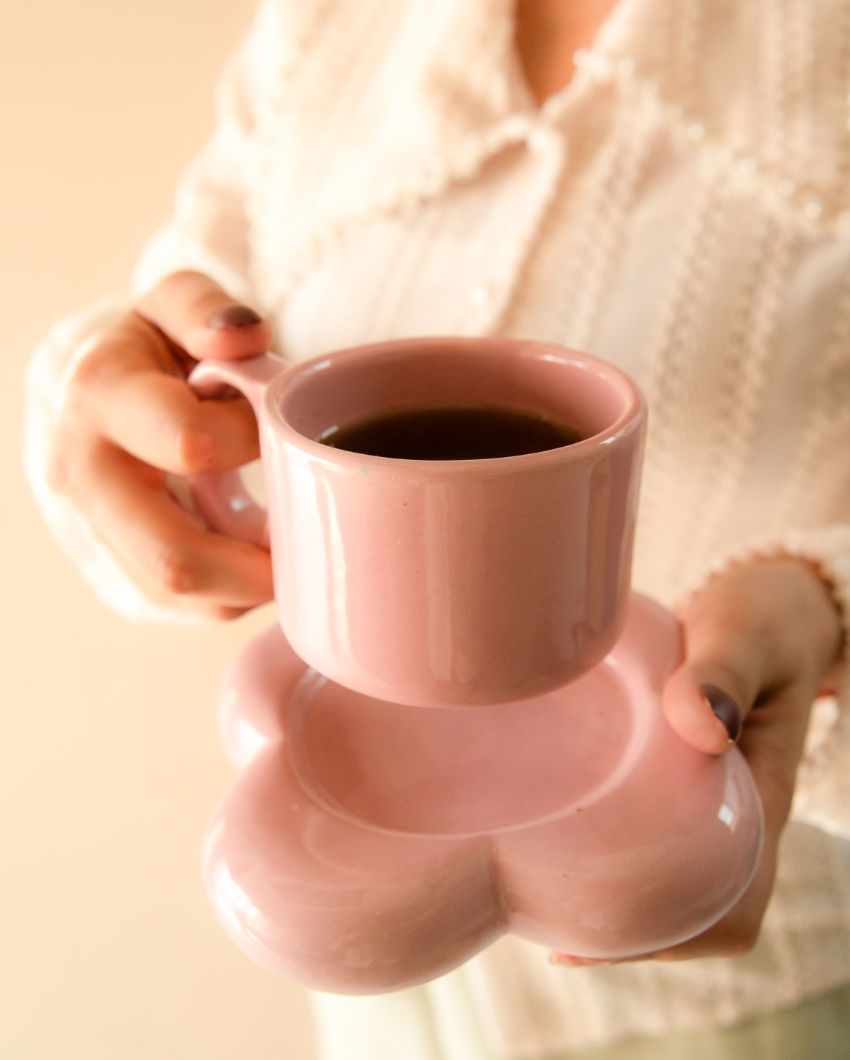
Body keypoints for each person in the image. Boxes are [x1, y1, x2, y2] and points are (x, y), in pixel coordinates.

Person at [23, 0, 850, 1057]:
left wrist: (826, 601)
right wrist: (129, 424)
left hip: (749, 1014)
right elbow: (186, 332)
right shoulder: (328, 25)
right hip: (370, 968)